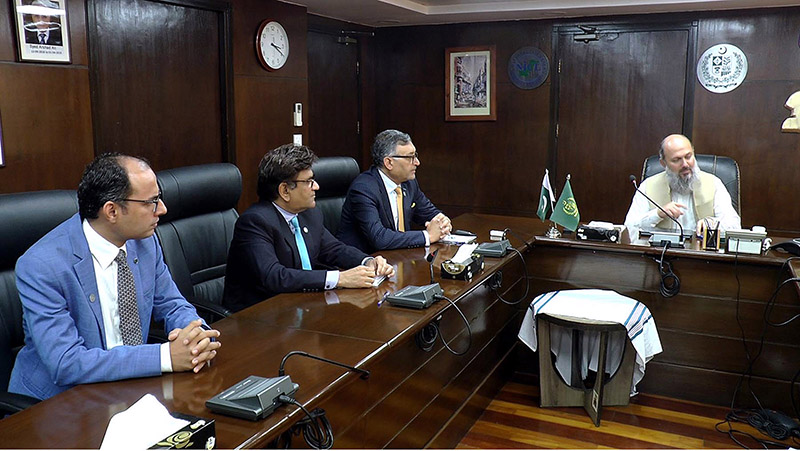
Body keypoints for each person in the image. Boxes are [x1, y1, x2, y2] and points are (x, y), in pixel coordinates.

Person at [9, 154, 221, 401]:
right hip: (61, 402)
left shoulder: (145, 242)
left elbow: (172, 304)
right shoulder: (42, 266)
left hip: (130, 388)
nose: (162, 209)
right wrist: (166, 357)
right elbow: (66, 362)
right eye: (151, 202)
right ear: (111, 211)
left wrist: (196, 338)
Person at [223, 144, 394, 313]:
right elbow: (274, 277)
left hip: (302, 307)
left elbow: (334, 249)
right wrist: (340, 278)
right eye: (309, 181)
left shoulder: (309, 214)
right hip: (259, 318)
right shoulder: (255, 222)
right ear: (284, 190)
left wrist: (368, 262)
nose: (316, 187)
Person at [337, 129, 451, 253]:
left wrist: (443, 222)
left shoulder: (409, 183)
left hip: (398, 257)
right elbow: (379, 238)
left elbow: (429, 212)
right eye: (410, 157)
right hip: (366, 262)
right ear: (389, 162)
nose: (417, 163)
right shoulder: (364, 189)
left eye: (415, 156)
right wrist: (427, 236)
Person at [624, 134, 741, 238]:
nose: (685, 164)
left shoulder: (714, 183)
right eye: (676, 160)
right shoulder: (648, 186)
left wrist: (711, 223)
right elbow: (629, 230)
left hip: (703, 258)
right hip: (658, 257)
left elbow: (734, 227)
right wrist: (657, 214)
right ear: (663, 163)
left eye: (688, 156)